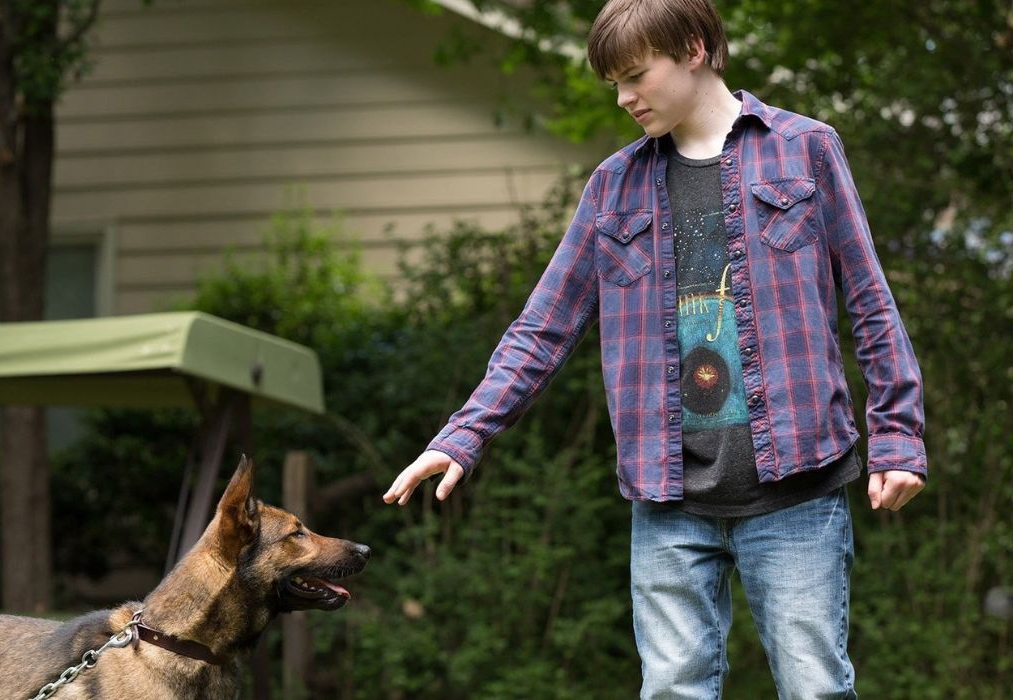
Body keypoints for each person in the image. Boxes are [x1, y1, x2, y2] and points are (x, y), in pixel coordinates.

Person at [381, 0, 927, 697]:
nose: (624, 97)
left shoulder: (806, 148)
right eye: (614, 82)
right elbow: (541, 327)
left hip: (798, 489)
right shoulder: (613, 187)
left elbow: (872, 302)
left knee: (816, 687)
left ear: (694, 48)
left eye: (636, 75)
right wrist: (463, 435)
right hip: (668, 499)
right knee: (671, 690)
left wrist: (899, 438)